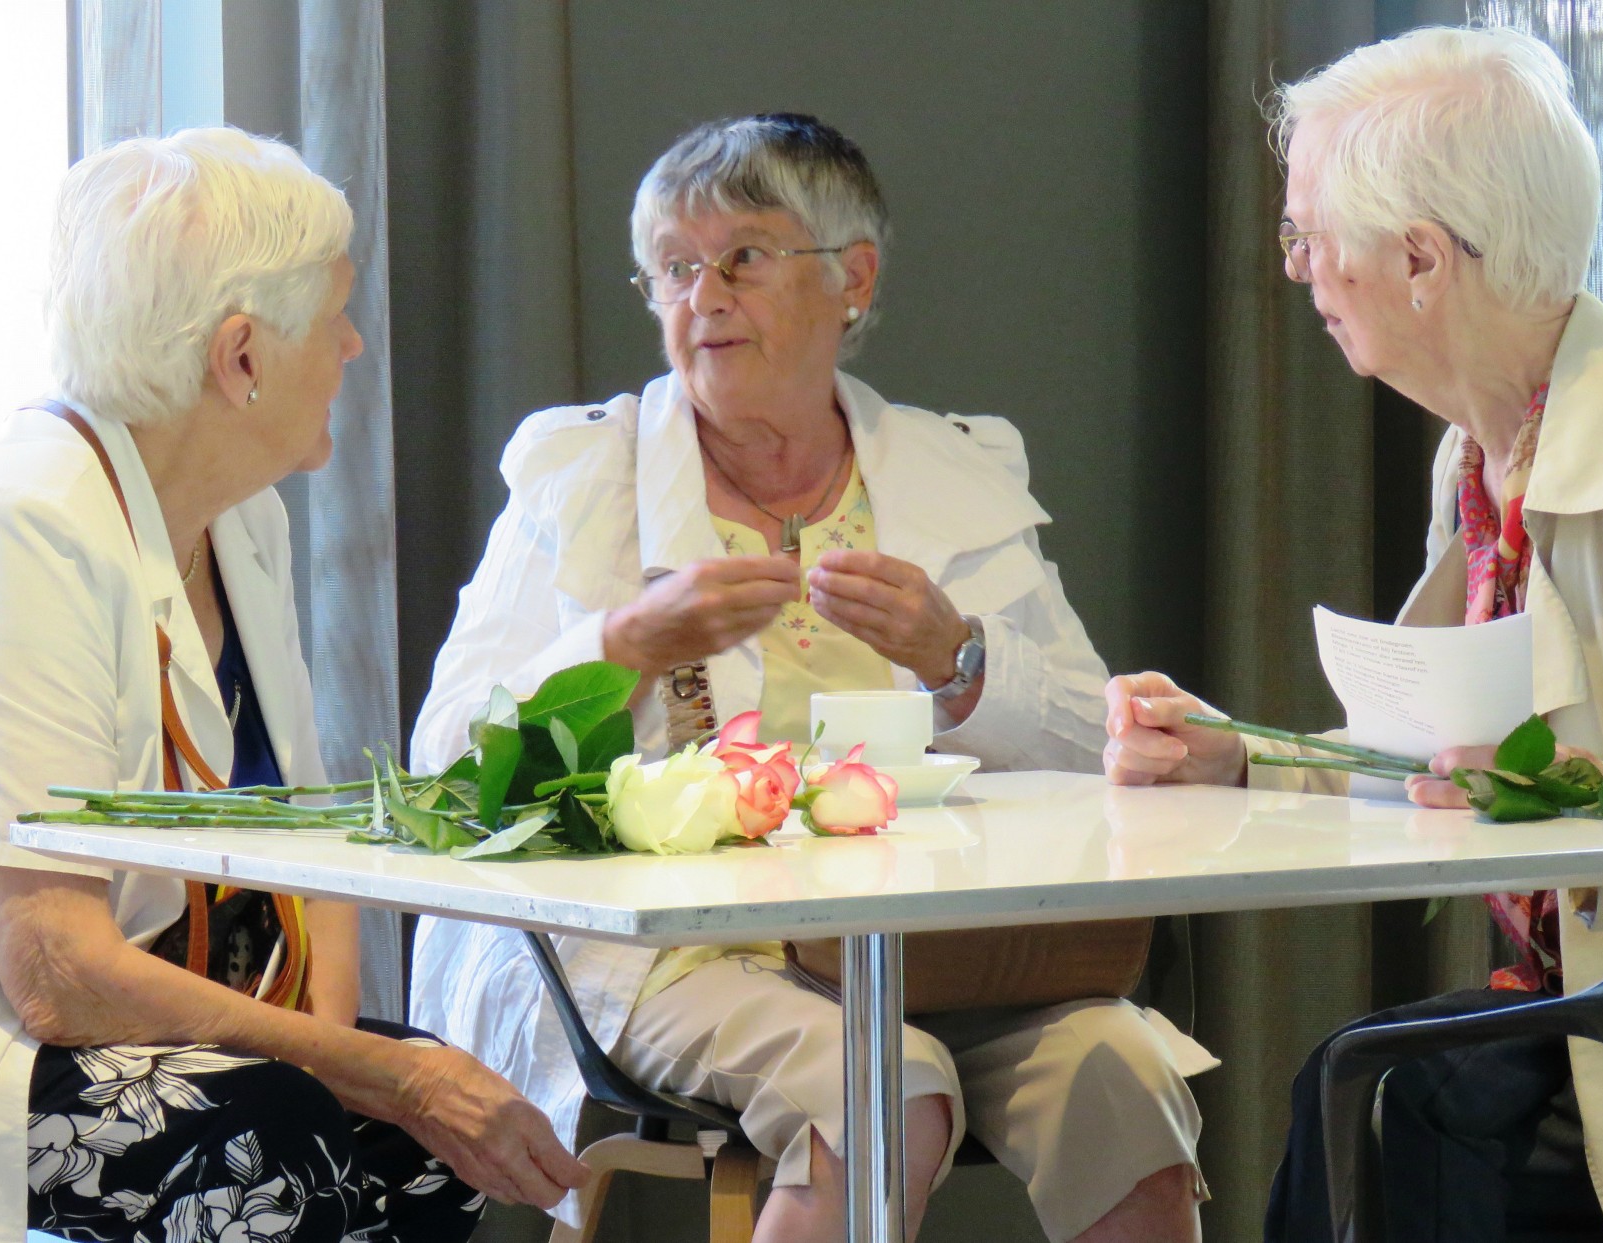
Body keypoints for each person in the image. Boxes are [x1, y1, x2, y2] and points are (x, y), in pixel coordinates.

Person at [410, 113, 1216, 1243]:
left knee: (1123, 1078)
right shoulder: (580, 475)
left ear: (853, 279)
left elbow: (1101, 745)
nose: (703, 296)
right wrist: (624, 641)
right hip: (673, 948)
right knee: (881, 1083)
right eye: (675, 268)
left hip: (939, 948)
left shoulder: (952, 470)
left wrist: (960, 658)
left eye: (741, 256)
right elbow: (445, 758)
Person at [0, 128, 584, 1243]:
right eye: (336, 317)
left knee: (417, 1141)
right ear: (242, 356)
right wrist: (362, 1074)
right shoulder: (13, 527)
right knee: (275, 1137)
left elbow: (314, 848)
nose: (354, 346)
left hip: (132, 1019)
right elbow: (55, 976)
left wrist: (366, 1067)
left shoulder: (237, 513)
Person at [1101, 26, 1603, 1243]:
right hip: (1590, 1007)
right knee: (1364, 1081)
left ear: (1419, 259)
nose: (1298, 272)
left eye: (1307, 236)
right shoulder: (1480, 459)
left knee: (1399, 1093)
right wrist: (1240, 751)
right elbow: (1445, 745)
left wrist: (1580, 794)